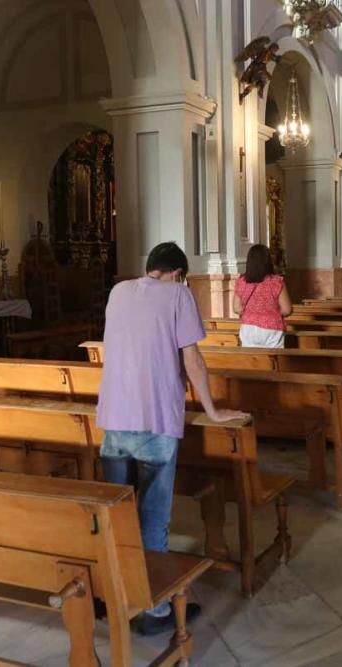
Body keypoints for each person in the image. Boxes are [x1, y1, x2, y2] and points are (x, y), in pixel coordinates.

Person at [97, 242, 247, 635]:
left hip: (114, 416)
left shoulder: (118, 291)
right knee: (153, 516)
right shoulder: (178, 293)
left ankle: (113, 599)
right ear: (179, 273)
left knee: (115, 514)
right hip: (156, 419)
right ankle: (155, 610)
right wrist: (212, 409)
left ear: (150, 268)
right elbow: (192, 358)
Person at [232, 244, 291, 348]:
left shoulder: (241, 281)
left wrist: (252, 312)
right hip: (272, 328)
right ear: (268, 261)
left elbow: (237, 308)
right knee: (273, 361)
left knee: (251, 361)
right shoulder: (276, 282)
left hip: (248, 327)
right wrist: (270, 311)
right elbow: (286, 310)